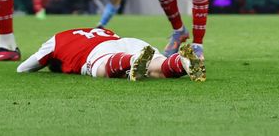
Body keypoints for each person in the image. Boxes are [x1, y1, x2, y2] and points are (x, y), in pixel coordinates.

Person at [16, 27, 205, 81]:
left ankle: (132, 61)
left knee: (101, 70)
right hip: (126, 41)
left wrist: (47, 61)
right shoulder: (97, 29)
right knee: (159, 70)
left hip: (99, 52)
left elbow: (24, 68)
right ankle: (182, 62)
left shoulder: (56, 39)